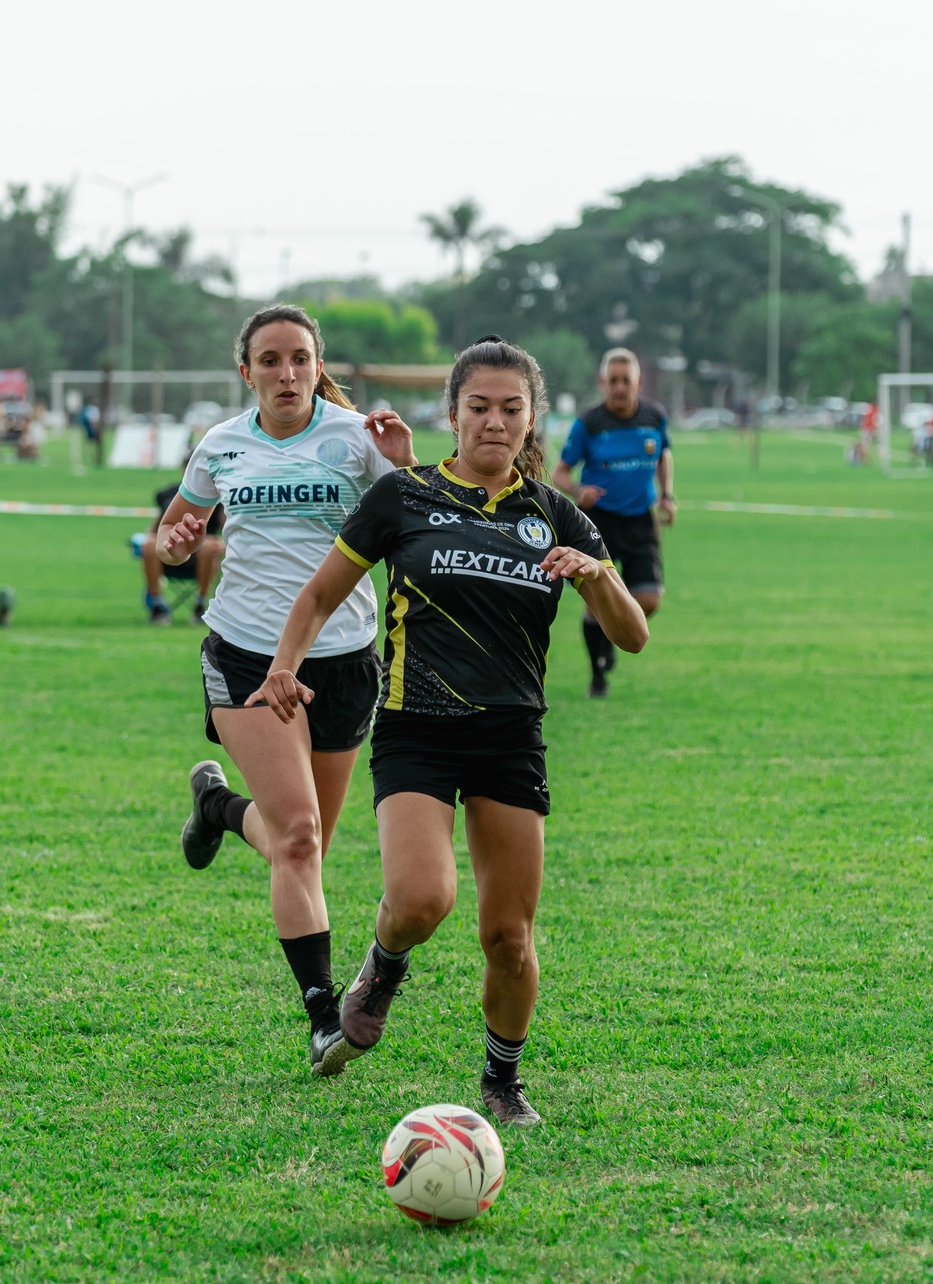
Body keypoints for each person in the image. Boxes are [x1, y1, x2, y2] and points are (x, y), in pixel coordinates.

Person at [252, 336, 648, 1125]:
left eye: (511, 409)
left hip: (510, 738)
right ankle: (383, 967)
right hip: (416, 729)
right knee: (422, 897)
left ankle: (503, 1081)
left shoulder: (554, 514)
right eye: (479, 407)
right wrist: (284, 664)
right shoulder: (404, 497)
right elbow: (321, 594)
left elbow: (632, 633)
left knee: (509, 934)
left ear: (532, 417)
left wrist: (597, 575)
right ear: (453, 412)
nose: (494, 423)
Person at [159, 303, 417, 1074]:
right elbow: (178, 532)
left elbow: (419, 520)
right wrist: (175, 541)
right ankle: (320, 1014)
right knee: (299, 836)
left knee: (300, 847)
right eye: (268, 360)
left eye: (298, 358)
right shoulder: (221, 445)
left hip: (343, 660)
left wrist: (402, 464)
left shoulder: (352, 438)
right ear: (247, 371)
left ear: (317, 363)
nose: (285, 372)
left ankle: (217, 808)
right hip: (244, 654)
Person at [551, 348, 673, 698]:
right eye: (613, 381)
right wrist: (579, 489)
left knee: (649, 599)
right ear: (602, 382)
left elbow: (664, 455)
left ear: (639, 382)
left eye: (626, 381)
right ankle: (598, 675)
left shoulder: (654, 417)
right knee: (596, 601)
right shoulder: (590, 423)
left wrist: (667, 496)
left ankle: (618, 633)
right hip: (598, 522)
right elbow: (560, 473)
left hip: (640, 521)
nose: (619, 387)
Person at [140, 480, 224, 625]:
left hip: (201, 556)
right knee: (149, 545)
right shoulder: (168, 494)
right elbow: (156, 529)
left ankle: (201, 602)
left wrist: (220, 544)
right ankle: (157, 604)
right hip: (169, 551)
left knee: (210, 546)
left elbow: (228, 531)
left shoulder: (219, 493)